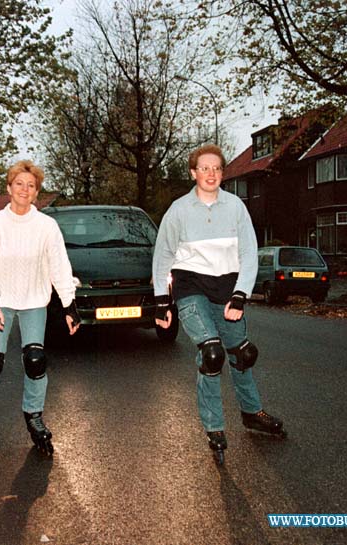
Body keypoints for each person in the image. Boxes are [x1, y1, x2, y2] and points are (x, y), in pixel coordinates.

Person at [152, 144, 285, 465]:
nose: (210, 174)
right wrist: (161, 302)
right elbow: (163, 257)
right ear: (193, 173)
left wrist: (240, 294)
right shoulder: (179, 210)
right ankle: (215, 428)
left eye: (216, 168)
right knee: (212, 355)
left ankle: (252, 412)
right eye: (204, 168)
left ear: (222, 173)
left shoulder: (235, 207)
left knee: (243, 353)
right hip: (190, 287)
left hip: (227, 289)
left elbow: (249, 254)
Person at [0, 159, 80, 455]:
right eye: (19, 184)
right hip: (1, 301)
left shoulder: (46, 226)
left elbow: (59, 266)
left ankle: (34, 416)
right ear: (9, 188)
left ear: (36, 191)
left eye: (31, 185)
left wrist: (69, 305)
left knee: (35, 361)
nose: (24, 190)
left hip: (33, 302)